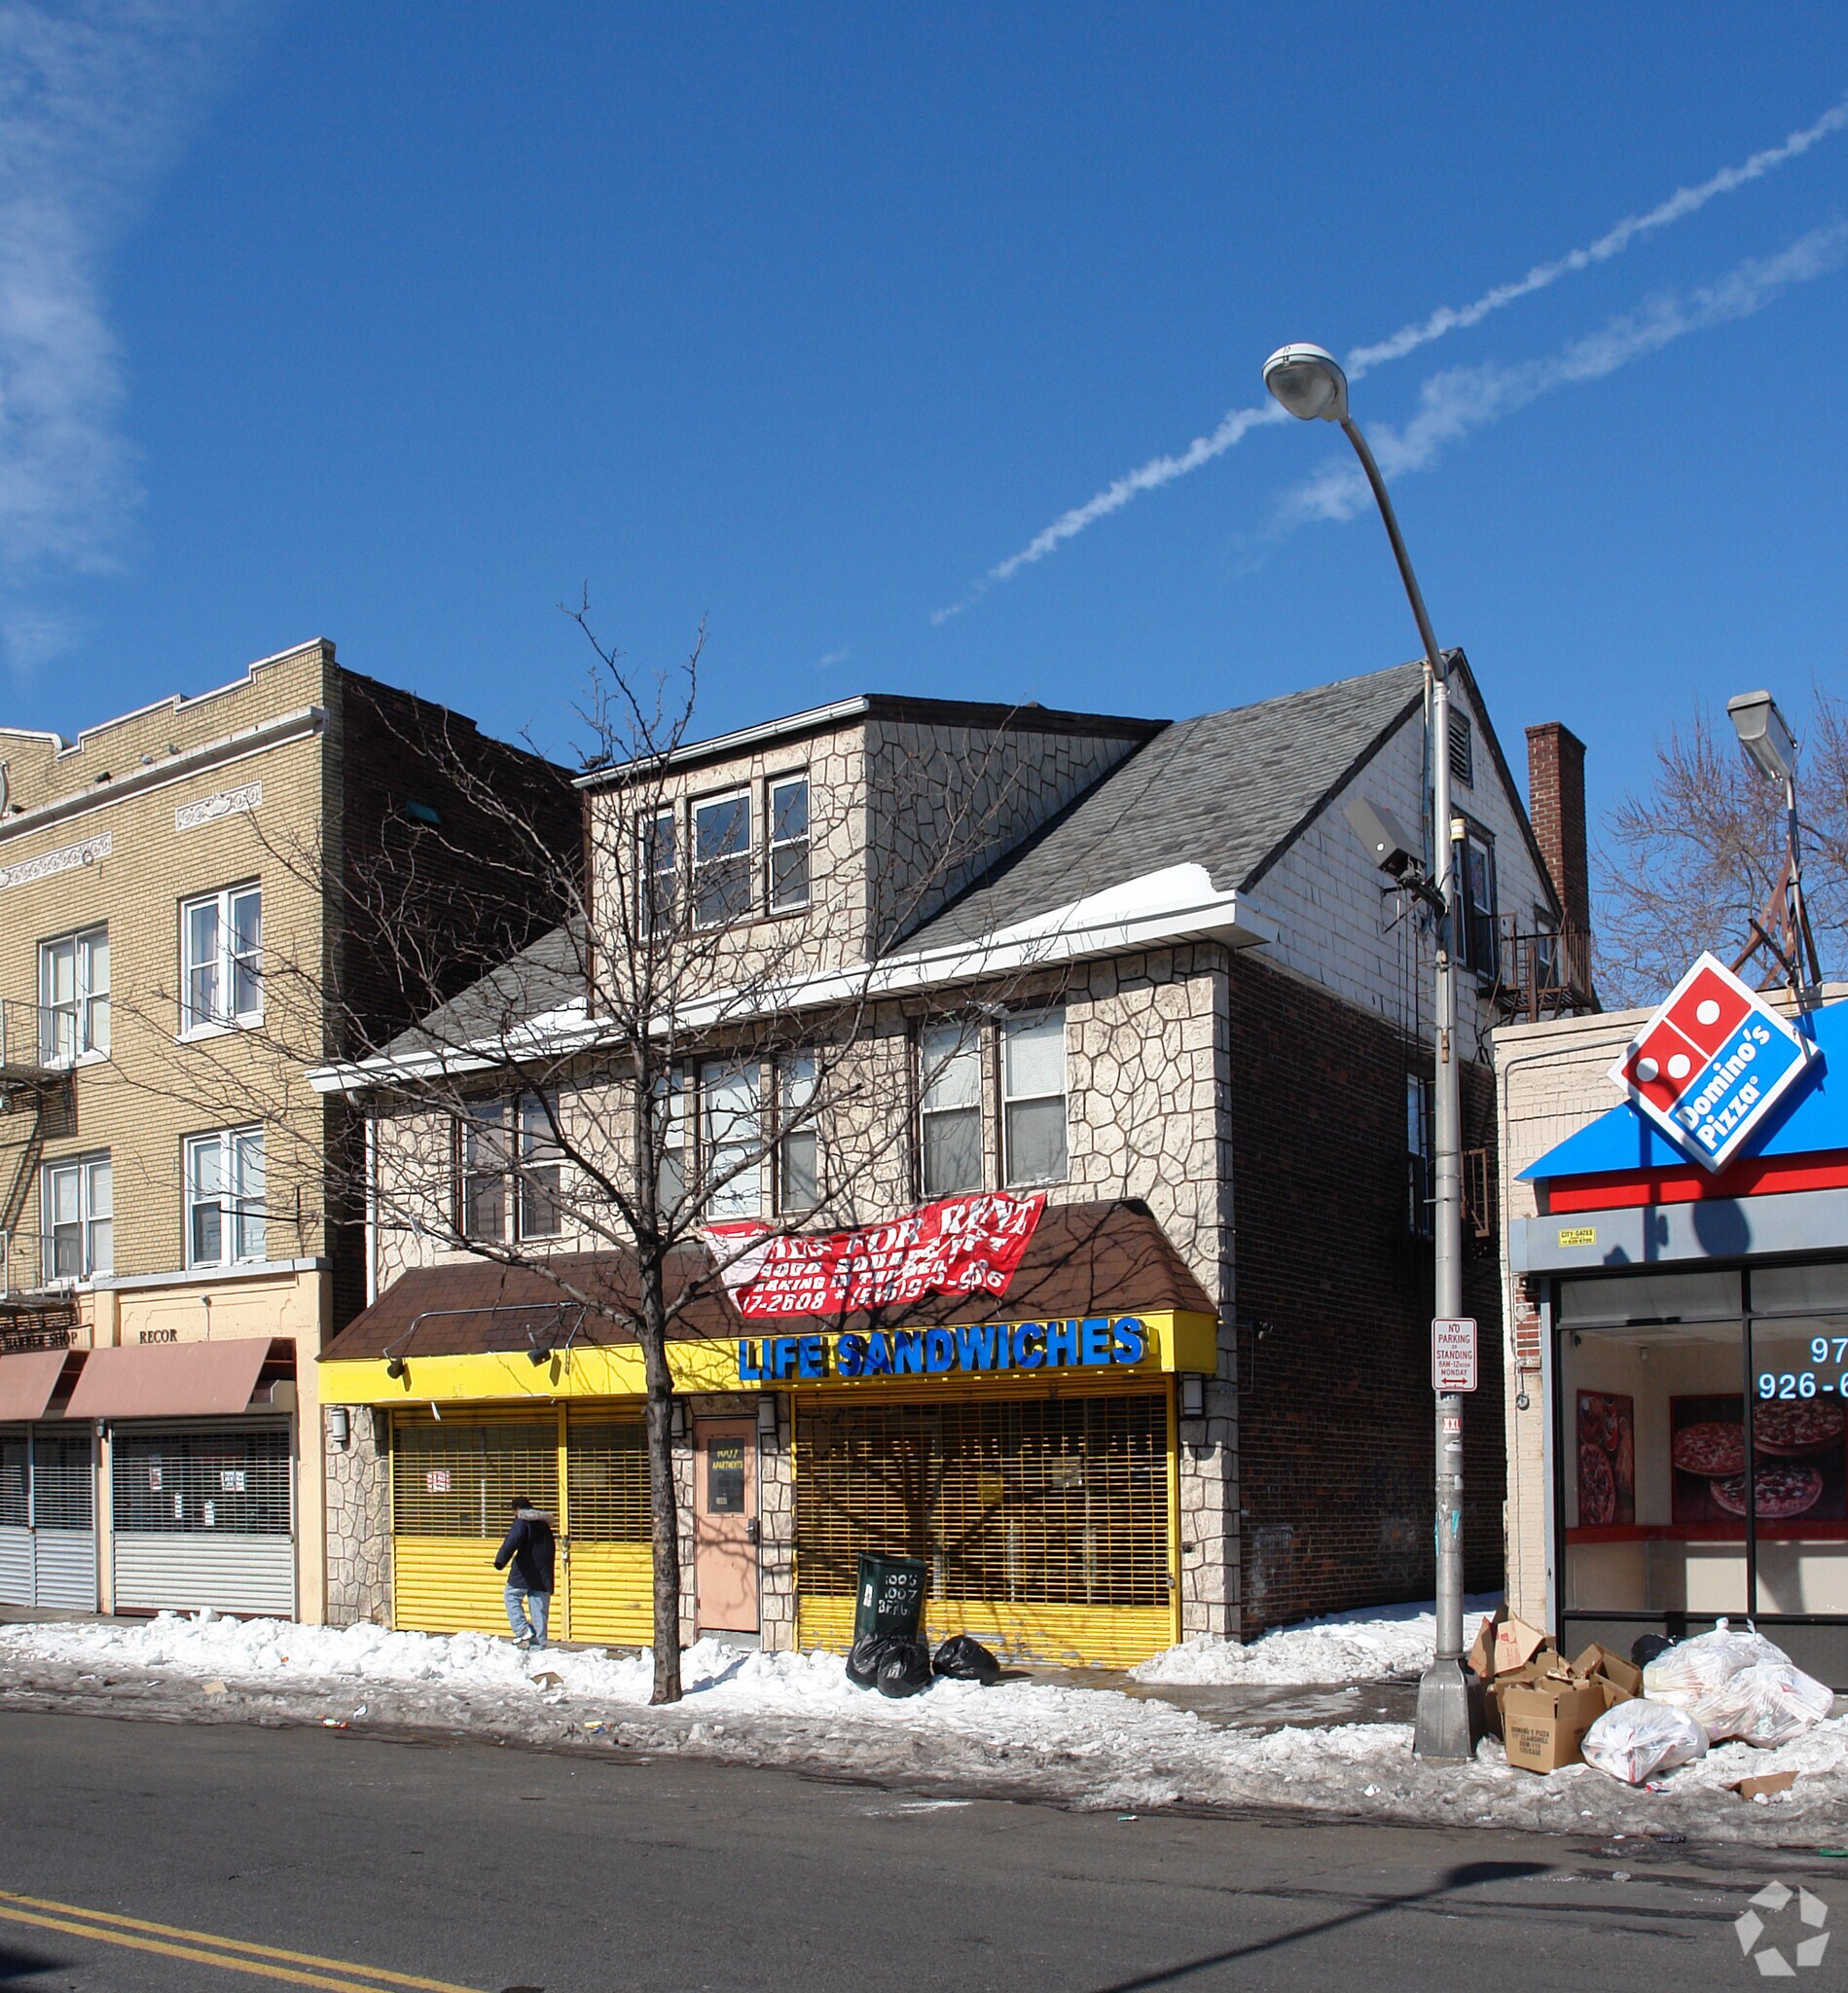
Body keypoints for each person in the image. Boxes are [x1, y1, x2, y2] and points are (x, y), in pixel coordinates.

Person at [494, 1495, 557, 1651]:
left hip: (524, 1571)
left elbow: (512, 1541)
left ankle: (522, 1629)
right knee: (539, 1608)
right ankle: (539, 1647)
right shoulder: (544, 1525)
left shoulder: (522, 1522)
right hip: (543, 1574)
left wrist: (500, 1561)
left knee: (511, 1595)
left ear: (517, 1510)